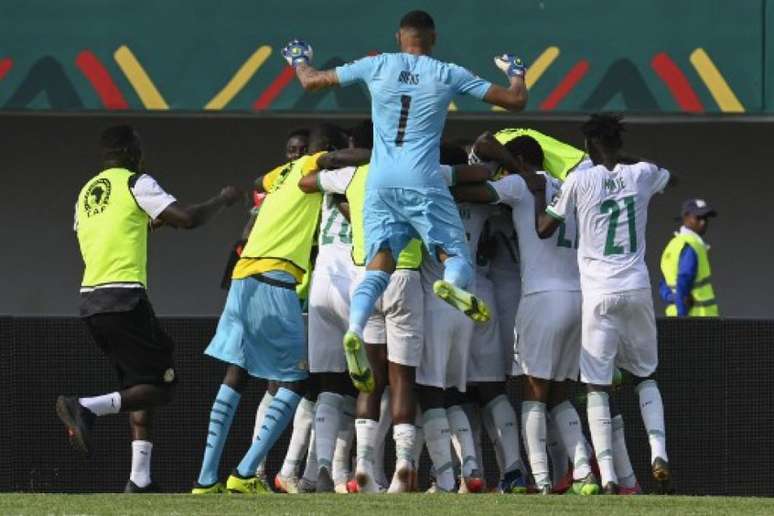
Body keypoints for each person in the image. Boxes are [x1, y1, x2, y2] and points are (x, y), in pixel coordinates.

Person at [282, 9, 528, 394]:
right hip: (424, 178)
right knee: (454, 254)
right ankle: (452, 285)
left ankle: (356, 327)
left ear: (399, 37)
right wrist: (516, 71)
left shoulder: (376, 65)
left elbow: (312, 82)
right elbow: (515, 101)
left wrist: (299, 60)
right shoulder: (448, 72)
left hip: (380, 180)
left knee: (380, 259)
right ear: (433, 39)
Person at [57, 125, 240, 493]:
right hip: (124, 298)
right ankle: (87, 407)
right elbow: (187, 218)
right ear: (131, 153)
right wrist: (222, 199)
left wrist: (150, 223)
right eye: (139, 151)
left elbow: (111, 230)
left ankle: (139, 479)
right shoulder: (135, 182)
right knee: (163, 385)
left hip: (92, 302)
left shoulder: (87, 193)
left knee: (138, 385)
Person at [191, 124, 347, 495]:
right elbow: (338, 159)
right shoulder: (313, 165)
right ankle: (245, 474)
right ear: (327, 152)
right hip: (274, 280)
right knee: (295, 380)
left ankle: (205, 479)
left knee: (238, 371)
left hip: (244, 277)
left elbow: (258, 180)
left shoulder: (282, 174)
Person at [534, 113, 675, 494]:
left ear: (587, 146)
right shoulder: (642, 173)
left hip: (597, 291)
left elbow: (544, 227)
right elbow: (669, 177)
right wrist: (625, 161)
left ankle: (609, 476)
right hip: (636, 287)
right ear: (618, 144)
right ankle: (658, 452)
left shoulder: (578, 179)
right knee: (644, 375)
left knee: (597, 386)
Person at [659, 199, 719, 317]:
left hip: (673, 317)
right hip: (697, 318)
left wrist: (672, 298)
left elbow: (663, 284)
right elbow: (684, 279)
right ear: (686, 218)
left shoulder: (672, 245)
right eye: (698, 217)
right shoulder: (692, 245)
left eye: (705, 218)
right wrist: (683, 318)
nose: (703, 222)